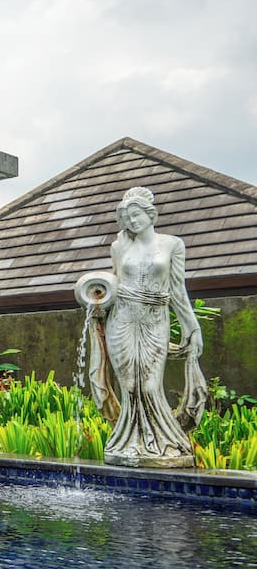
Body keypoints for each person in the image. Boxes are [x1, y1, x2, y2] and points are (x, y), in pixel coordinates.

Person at [88, 186, 206, 467]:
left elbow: (178, 289)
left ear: (150, 214)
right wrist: (98, 303)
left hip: (155, 319)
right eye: (126, 217)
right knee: (129, 385)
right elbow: (113, 286)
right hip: (123, 318)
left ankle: (164, 443)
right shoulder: (119, 247)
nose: (132, 221)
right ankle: (128, 442)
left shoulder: (172, 245)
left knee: (150, 385)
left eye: (136, 214)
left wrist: (192, 327)